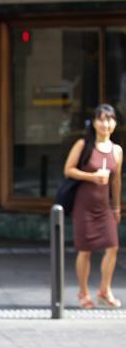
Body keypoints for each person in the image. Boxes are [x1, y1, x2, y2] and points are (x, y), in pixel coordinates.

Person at [63, 104, 123, 308]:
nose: (106, 124)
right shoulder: (84, 144)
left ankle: (105, 290)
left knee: (113, 247)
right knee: (85, 249)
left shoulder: (117, 150)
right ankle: (83, 293)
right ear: (95, 122)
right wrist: (92, 176)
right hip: (84, 205)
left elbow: (116, 182)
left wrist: (116, 207)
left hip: (104, 206)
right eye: (102, 119)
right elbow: (68, 170)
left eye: (110, 119)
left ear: (115, 123)